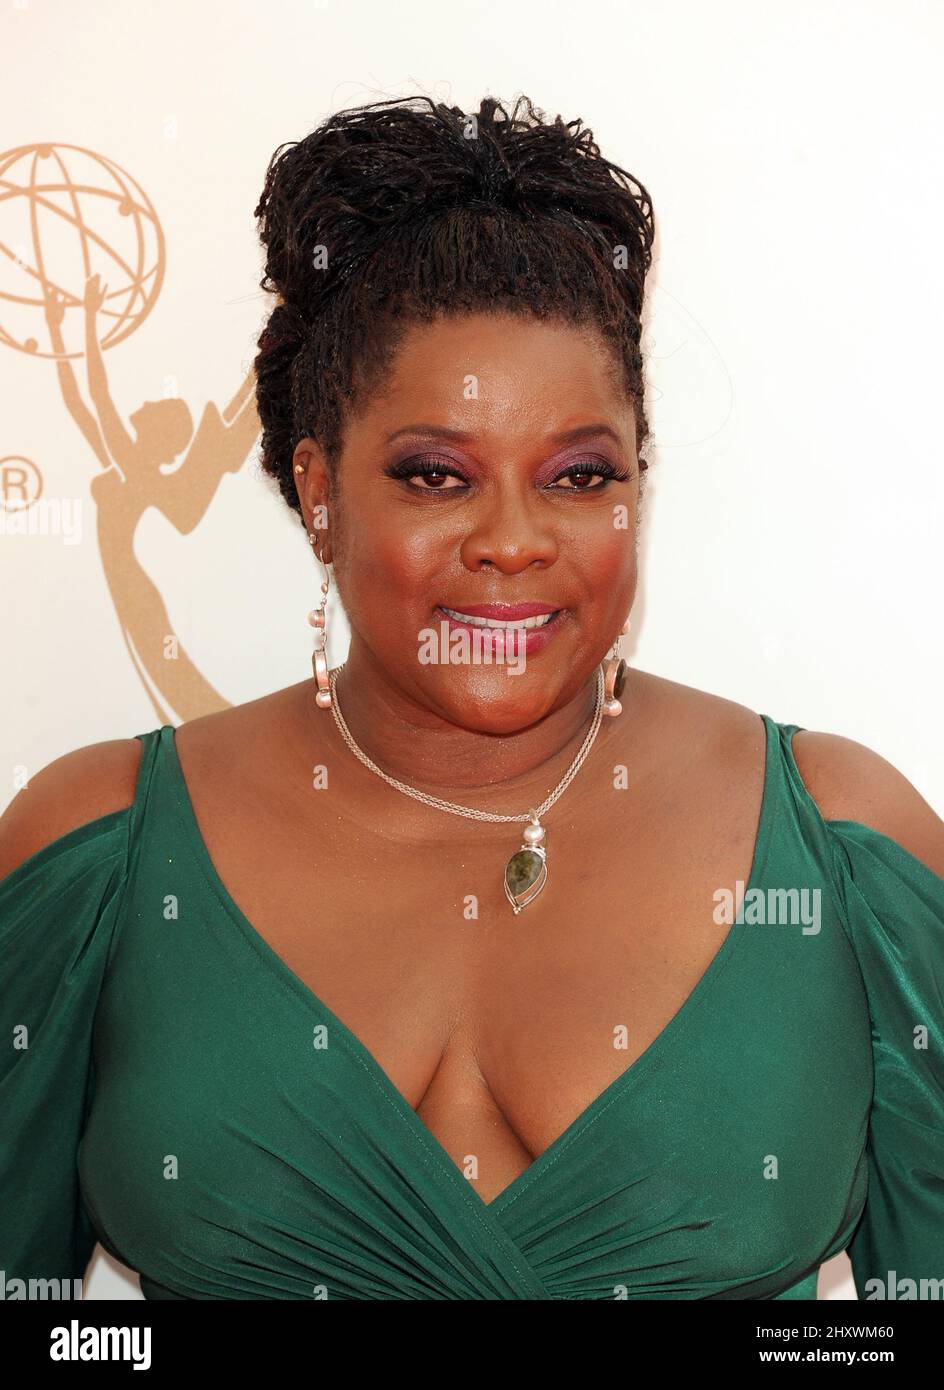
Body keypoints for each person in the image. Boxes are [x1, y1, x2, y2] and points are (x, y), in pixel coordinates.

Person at [1, 95, 942, 1302]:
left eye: (577, 475)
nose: (512, 541)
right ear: (319, 489)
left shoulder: (840, 845)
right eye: (435, 475)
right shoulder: (101, 843)